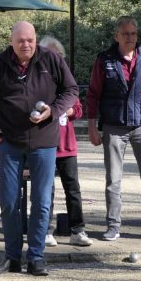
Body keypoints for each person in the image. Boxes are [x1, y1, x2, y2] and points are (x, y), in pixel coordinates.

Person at [0, 21, 78, 276]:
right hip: (9, 142)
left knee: (42, 201)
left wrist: (52, 112)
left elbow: (71, 90)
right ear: (11, 41)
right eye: (21, 40)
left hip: (44, 142)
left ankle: (36, 257)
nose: (26, 44)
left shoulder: (51, 60)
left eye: (30, 40)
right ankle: (12, 256)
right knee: (9, 202)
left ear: (36, 40)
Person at [85, 16, 141, 241]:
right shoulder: (104, 60)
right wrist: (92, 126)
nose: (130, 37)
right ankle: (113, 225)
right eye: (126, 34)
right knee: (113, 180)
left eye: (134, 33)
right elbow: (93, 94)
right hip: (114, 126)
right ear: (116, 36)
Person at [39, 36, 93, 247]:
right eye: (53, 56)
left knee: (73, 189)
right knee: (45, 191)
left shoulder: (66, 81)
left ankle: (77, 230)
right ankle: (45, 230)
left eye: (60, 56)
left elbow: (78, 109)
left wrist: (66, 109)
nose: (57, 60)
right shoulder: (38, 82)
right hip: (45, 144)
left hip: (67, 146)